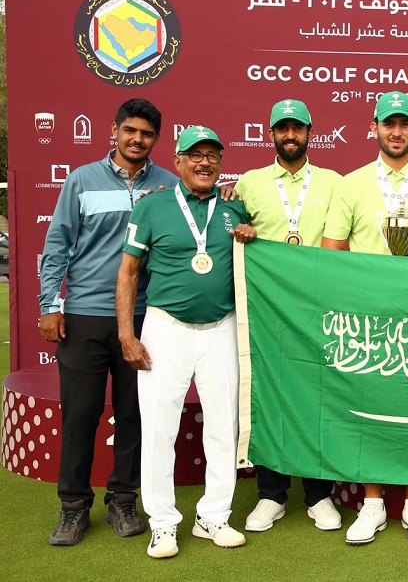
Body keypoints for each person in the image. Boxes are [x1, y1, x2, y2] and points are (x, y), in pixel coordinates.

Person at [39, 98, 177, 546]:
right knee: (80, 414)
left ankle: (123, 499)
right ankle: (73, 507)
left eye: (147, 134)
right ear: (114, 130)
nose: (137, 140)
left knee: (135, 414)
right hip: (84, 315)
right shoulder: (81, 180)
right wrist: (49, 303)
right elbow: (57, 243)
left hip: (145, 318)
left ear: (157, 139)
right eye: (130, 131)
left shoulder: (169, 186)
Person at [116, 125, 255, 559]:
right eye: (195, 155)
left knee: (222, 428)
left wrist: (250, 235)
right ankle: (162, 522)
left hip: (222, 328)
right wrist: (126, 333)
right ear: (177, 161)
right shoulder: (153, 205)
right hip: (165, 328)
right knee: (159, 429)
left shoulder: (235, 208)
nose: (205, 162)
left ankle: (213, 516)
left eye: (213, 155)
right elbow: (128, 273)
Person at [322, 91, 408, 545]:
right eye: (388, 123)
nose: (397, 132)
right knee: (369, 407)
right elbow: (332, 253)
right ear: (373, 126)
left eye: (405, 123)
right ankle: (373, 503)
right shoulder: (349, 183)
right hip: (368, 320)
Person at [235, 99, 343, 534]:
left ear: (310, 132)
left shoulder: (335, 182)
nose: (290, 134)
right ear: (271, 134)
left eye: (297, 127)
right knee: (272, 398)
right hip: (269, 310)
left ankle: (319, 495)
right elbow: (228, 225)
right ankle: (271, 494)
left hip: (320, 308)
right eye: (282, 128)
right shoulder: (249, 182)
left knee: (320, 398)